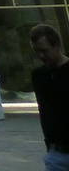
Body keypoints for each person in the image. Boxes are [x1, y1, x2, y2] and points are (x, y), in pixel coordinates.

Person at [33, 24, 69, 171]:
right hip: (56, 153)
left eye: (44, 50)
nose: (41, 55)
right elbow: (44, 110)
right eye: (36, 51)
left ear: (57, 46)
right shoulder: (38, 75)